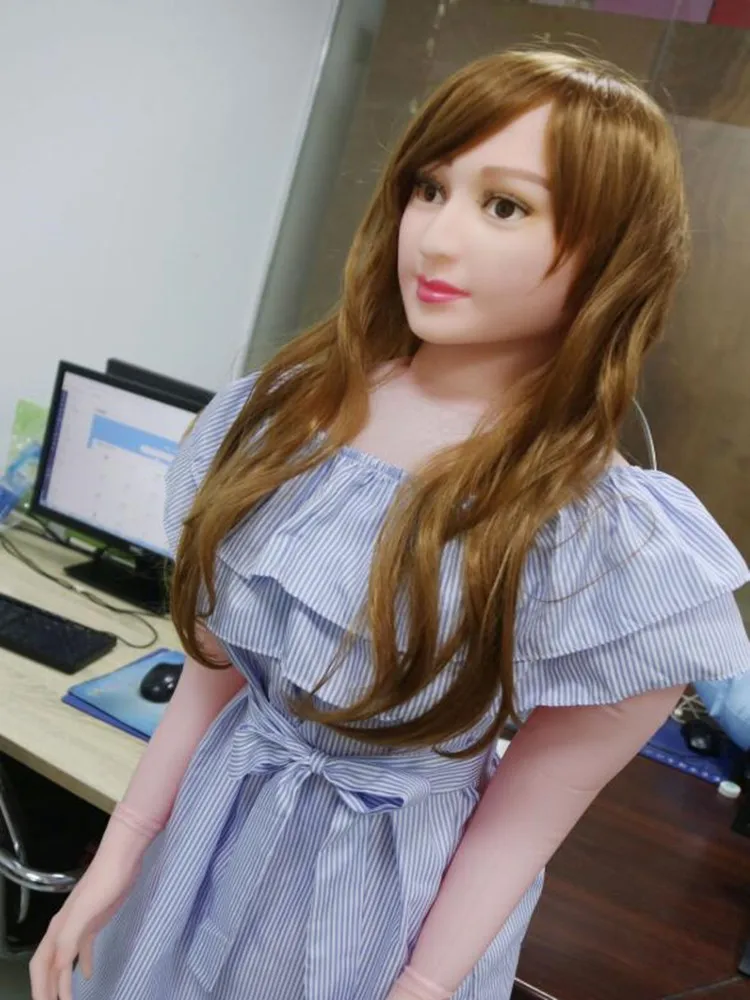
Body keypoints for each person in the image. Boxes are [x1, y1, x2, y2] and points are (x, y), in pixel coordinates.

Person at [30, 48, 750, 1000]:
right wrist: (119, 851)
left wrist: (421, 987)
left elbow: (521, 830)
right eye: (430, 187)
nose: (436, 239)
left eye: (506, 206)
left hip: (384, 909)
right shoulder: (286, 415)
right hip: (200, 845)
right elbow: (213, 676)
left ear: (609, 252)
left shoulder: (608, 540)